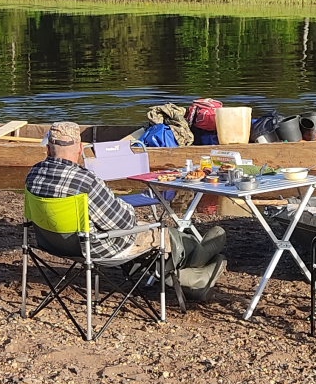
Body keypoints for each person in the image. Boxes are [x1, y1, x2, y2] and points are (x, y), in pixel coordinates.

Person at [25, 121, 227, 291]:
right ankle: (196, 264)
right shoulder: (84, 181)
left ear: (47, 148)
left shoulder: (32, 175)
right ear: (79, 149)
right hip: (93, 248)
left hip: (51, 243)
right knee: (161, 232)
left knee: (137, 231)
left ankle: (194, 275)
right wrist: (132, 212)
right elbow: (123, 222)